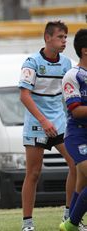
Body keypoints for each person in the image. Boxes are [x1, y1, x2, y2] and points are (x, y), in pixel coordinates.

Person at [18, 21, 76, 231]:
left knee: (77, 166)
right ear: (47, 38)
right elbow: (24, 96)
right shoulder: (31, 62)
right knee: (33, 173)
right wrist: (43, 120)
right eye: (60, 37)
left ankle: (71, 217)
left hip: (60, 123)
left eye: (66, 38)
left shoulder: (68, 64)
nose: (64, 42)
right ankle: (27, 224)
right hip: (37, 123)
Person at [59, 29, 87, 231]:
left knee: (82, 183)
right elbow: (76, 110)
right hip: (77, 135)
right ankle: (71, 223)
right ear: (85, 51)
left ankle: (71, 224)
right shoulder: (73, 75)